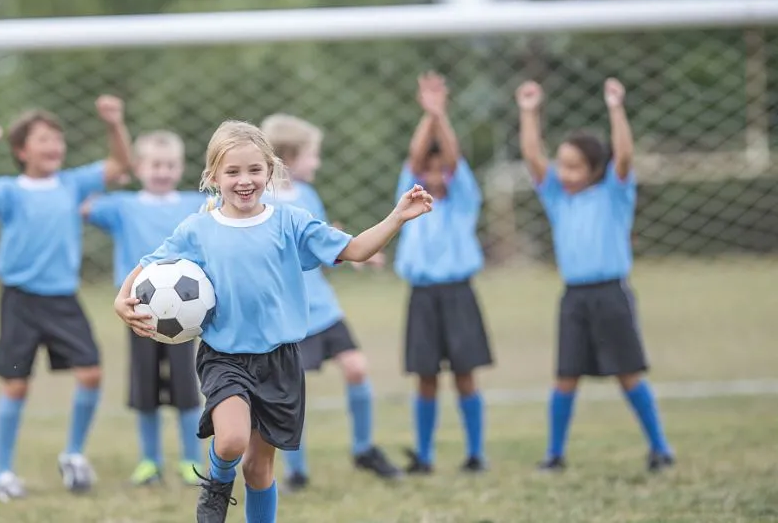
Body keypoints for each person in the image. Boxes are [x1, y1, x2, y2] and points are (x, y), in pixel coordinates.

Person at [114, 120, 433, 523]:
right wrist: (121, 300)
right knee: (230, 442)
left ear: (270, 171)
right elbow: (148, 265)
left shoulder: (291, 222)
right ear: (213, 176)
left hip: (279, 360)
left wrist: (397, 218)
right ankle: (215, 482)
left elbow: (353, 249)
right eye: (232, 172)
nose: (244, 181)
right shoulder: (197, 229)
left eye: (254, 170)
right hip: (224, 356)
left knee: (259, 469)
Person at [0, 97, 133, 501]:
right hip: (20, 301)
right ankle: (3, 471)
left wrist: (114, 124)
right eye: (43, 139)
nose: (54, 145)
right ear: (23, 150)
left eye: (58, 138)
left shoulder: (73, 184)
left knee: (91, 372)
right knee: (16, 385)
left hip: (62, 299)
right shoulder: (10, 191)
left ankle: (73, 454)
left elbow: (119, 165)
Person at [516, 77, 675, 472]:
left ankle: (660, 448)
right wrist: (529, 111)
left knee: (628, 374)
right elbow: (532, 155)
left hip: (611, 296)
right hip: (574, 299)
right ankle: (554, 455)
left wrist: (616, 107)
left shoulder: (614, 193)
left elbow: (624, 154)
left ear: (594, 169)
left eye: (574, 167)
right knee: (565, 377)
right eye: (562, 165)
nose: (564, 173)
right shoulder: (555, 197)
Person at [261, 113, 402, 491]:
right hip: (291, 315)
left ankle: (364, 450)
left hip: (324, 308)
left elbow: (323, 242)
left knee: (356, 367)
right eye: (312, 155)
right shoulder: (260, 203)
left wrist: (359, 253)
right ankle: (297, 470)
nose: (317, 162)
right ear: (288, 157)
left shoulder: (308, 196)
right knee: (292, 389)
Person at [82, 130, 207, 486]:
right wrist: (110, 176)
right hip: (137, 312)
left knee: (186, 388)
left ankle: (189, 461)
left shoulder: (192, 205)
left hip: (186, 317)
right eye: (154, 165)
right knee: (145, 388)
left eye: (169, 165)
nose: (162, 172)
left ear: (180, 168)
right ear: (139, 168)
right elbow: (84, 204)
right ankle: (149, 461)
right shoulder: (123, 204)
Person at [394, 73, 494, 475]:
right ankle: (425, 455)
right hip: (422, 296)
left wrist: (441, 115)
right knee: (426, 378)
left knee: (466, 376)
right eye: (427, 172)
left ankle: (475, 453)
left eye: (442, 171)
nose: (434, 177)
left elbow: (453, 158)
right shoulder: (413, 201)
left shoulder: (462, 201)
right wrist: (428, 117)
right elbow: (415, 158)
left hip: (458, 294)